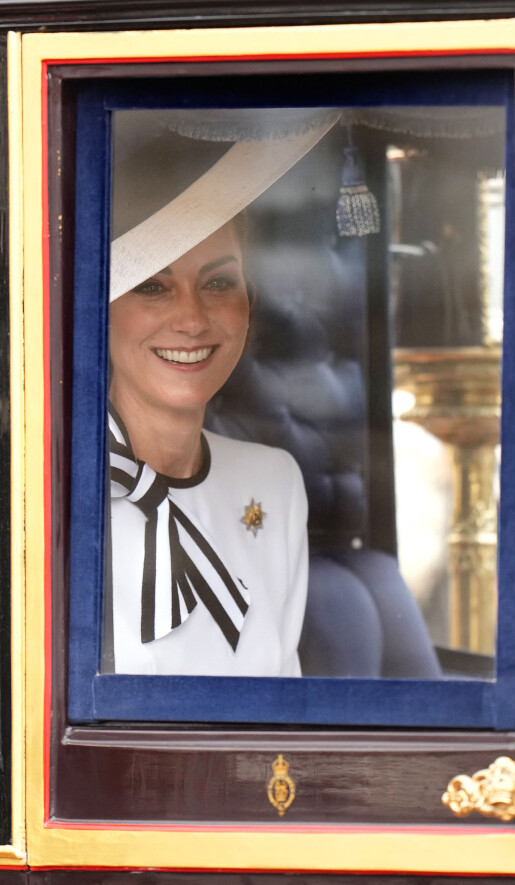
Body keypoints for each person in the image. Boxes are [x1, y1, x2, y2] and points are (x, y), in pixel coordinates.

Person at [105, 109, 339, 676]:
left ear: (249, 301)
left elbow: (282, 707)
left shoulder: (274, 483)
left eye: (217, 283)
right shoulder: (43, 493)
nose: (191, 318)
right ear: (100, 310)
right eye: (152, 287)